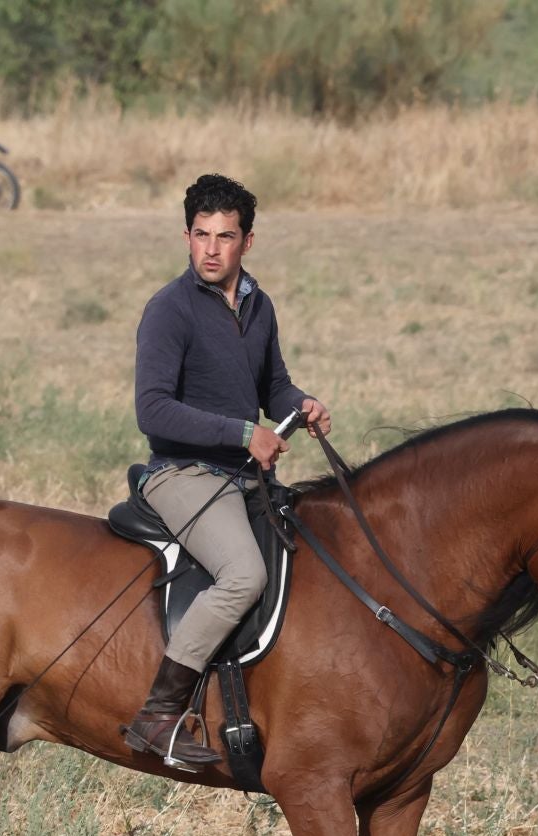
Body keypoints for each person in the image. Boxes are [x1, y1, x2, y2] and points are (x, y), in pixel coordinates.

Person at [122, 173, 331, 769]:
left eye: (225, 236)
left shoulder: (258, 305)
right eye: (201, 235)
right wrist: (243, 433)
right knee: (243, 575)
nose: (211, 249)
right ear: (186, 236)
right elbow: (152, 409)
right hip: (183, 474)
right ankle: (158, 715)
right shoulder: (169, 310)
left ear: (248, 241)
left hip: (245, 478)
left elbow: (272, 386)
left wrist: (301, 404)